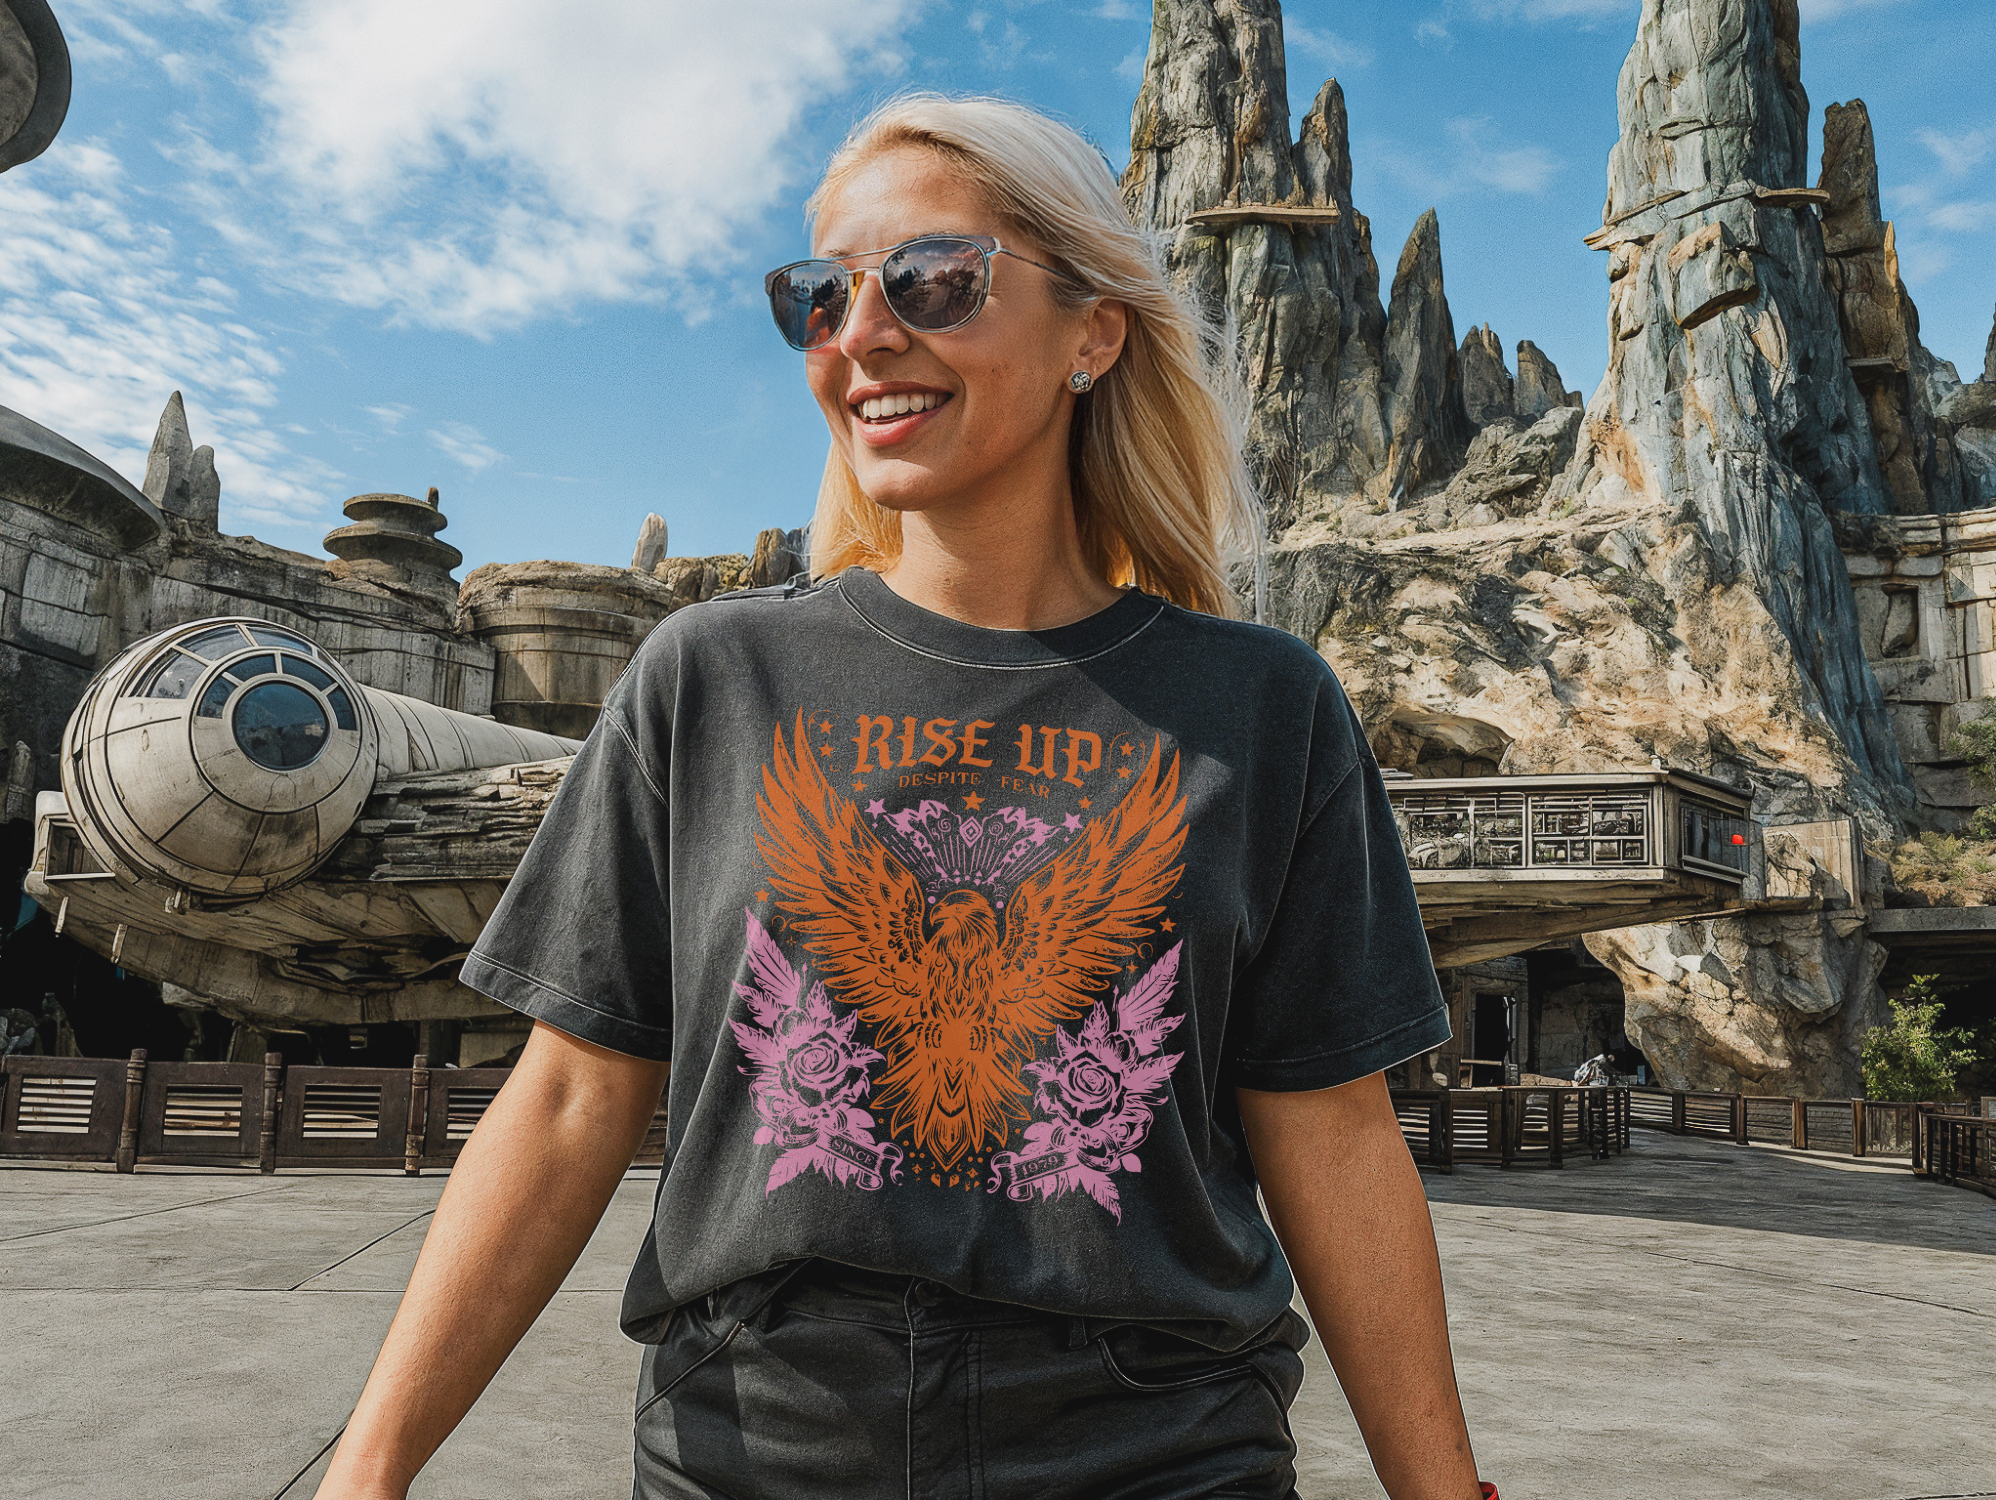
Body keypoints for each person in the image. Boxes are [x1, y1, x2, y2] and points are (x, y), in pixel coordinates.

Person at [315, 94, 1495, 1500]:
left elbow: (1334, 1131)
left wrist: (1446, 1493)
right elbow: (572, 1095)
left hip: (1157, 1453)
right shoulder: (712, 677)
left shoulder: (1265, 707)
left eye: (934, 280)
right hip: (760, 1446)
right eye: (820, 298)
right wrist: (368, 1468)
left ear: (1093, 334)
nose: (863, 335)